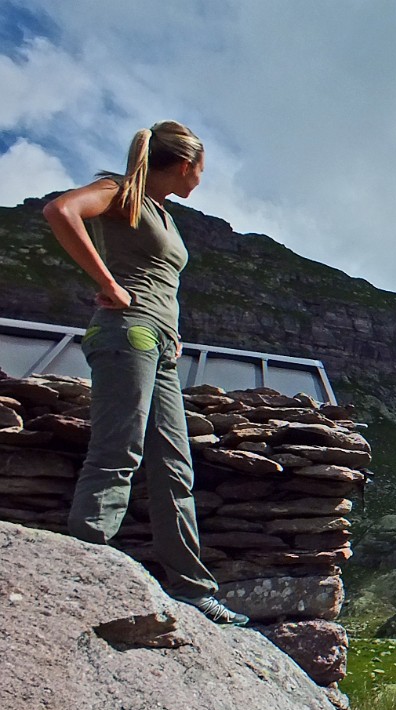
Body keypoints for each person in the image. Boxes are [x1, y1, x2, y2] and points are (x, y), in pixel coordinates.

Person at [43, 121, 249, 626]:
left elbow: (160, 280)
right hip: (126, 334)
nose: (202, 177)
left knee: (174, 464)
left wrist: (170, 329)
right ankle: (85, 560)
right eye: (201, 168)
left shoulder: (161, 212)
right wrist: (108, 283)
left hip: (157, 342)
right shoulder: (119, 190)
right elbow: (60, 210)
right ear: (185, 164)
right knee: (119, 449)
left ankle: (192, 588)